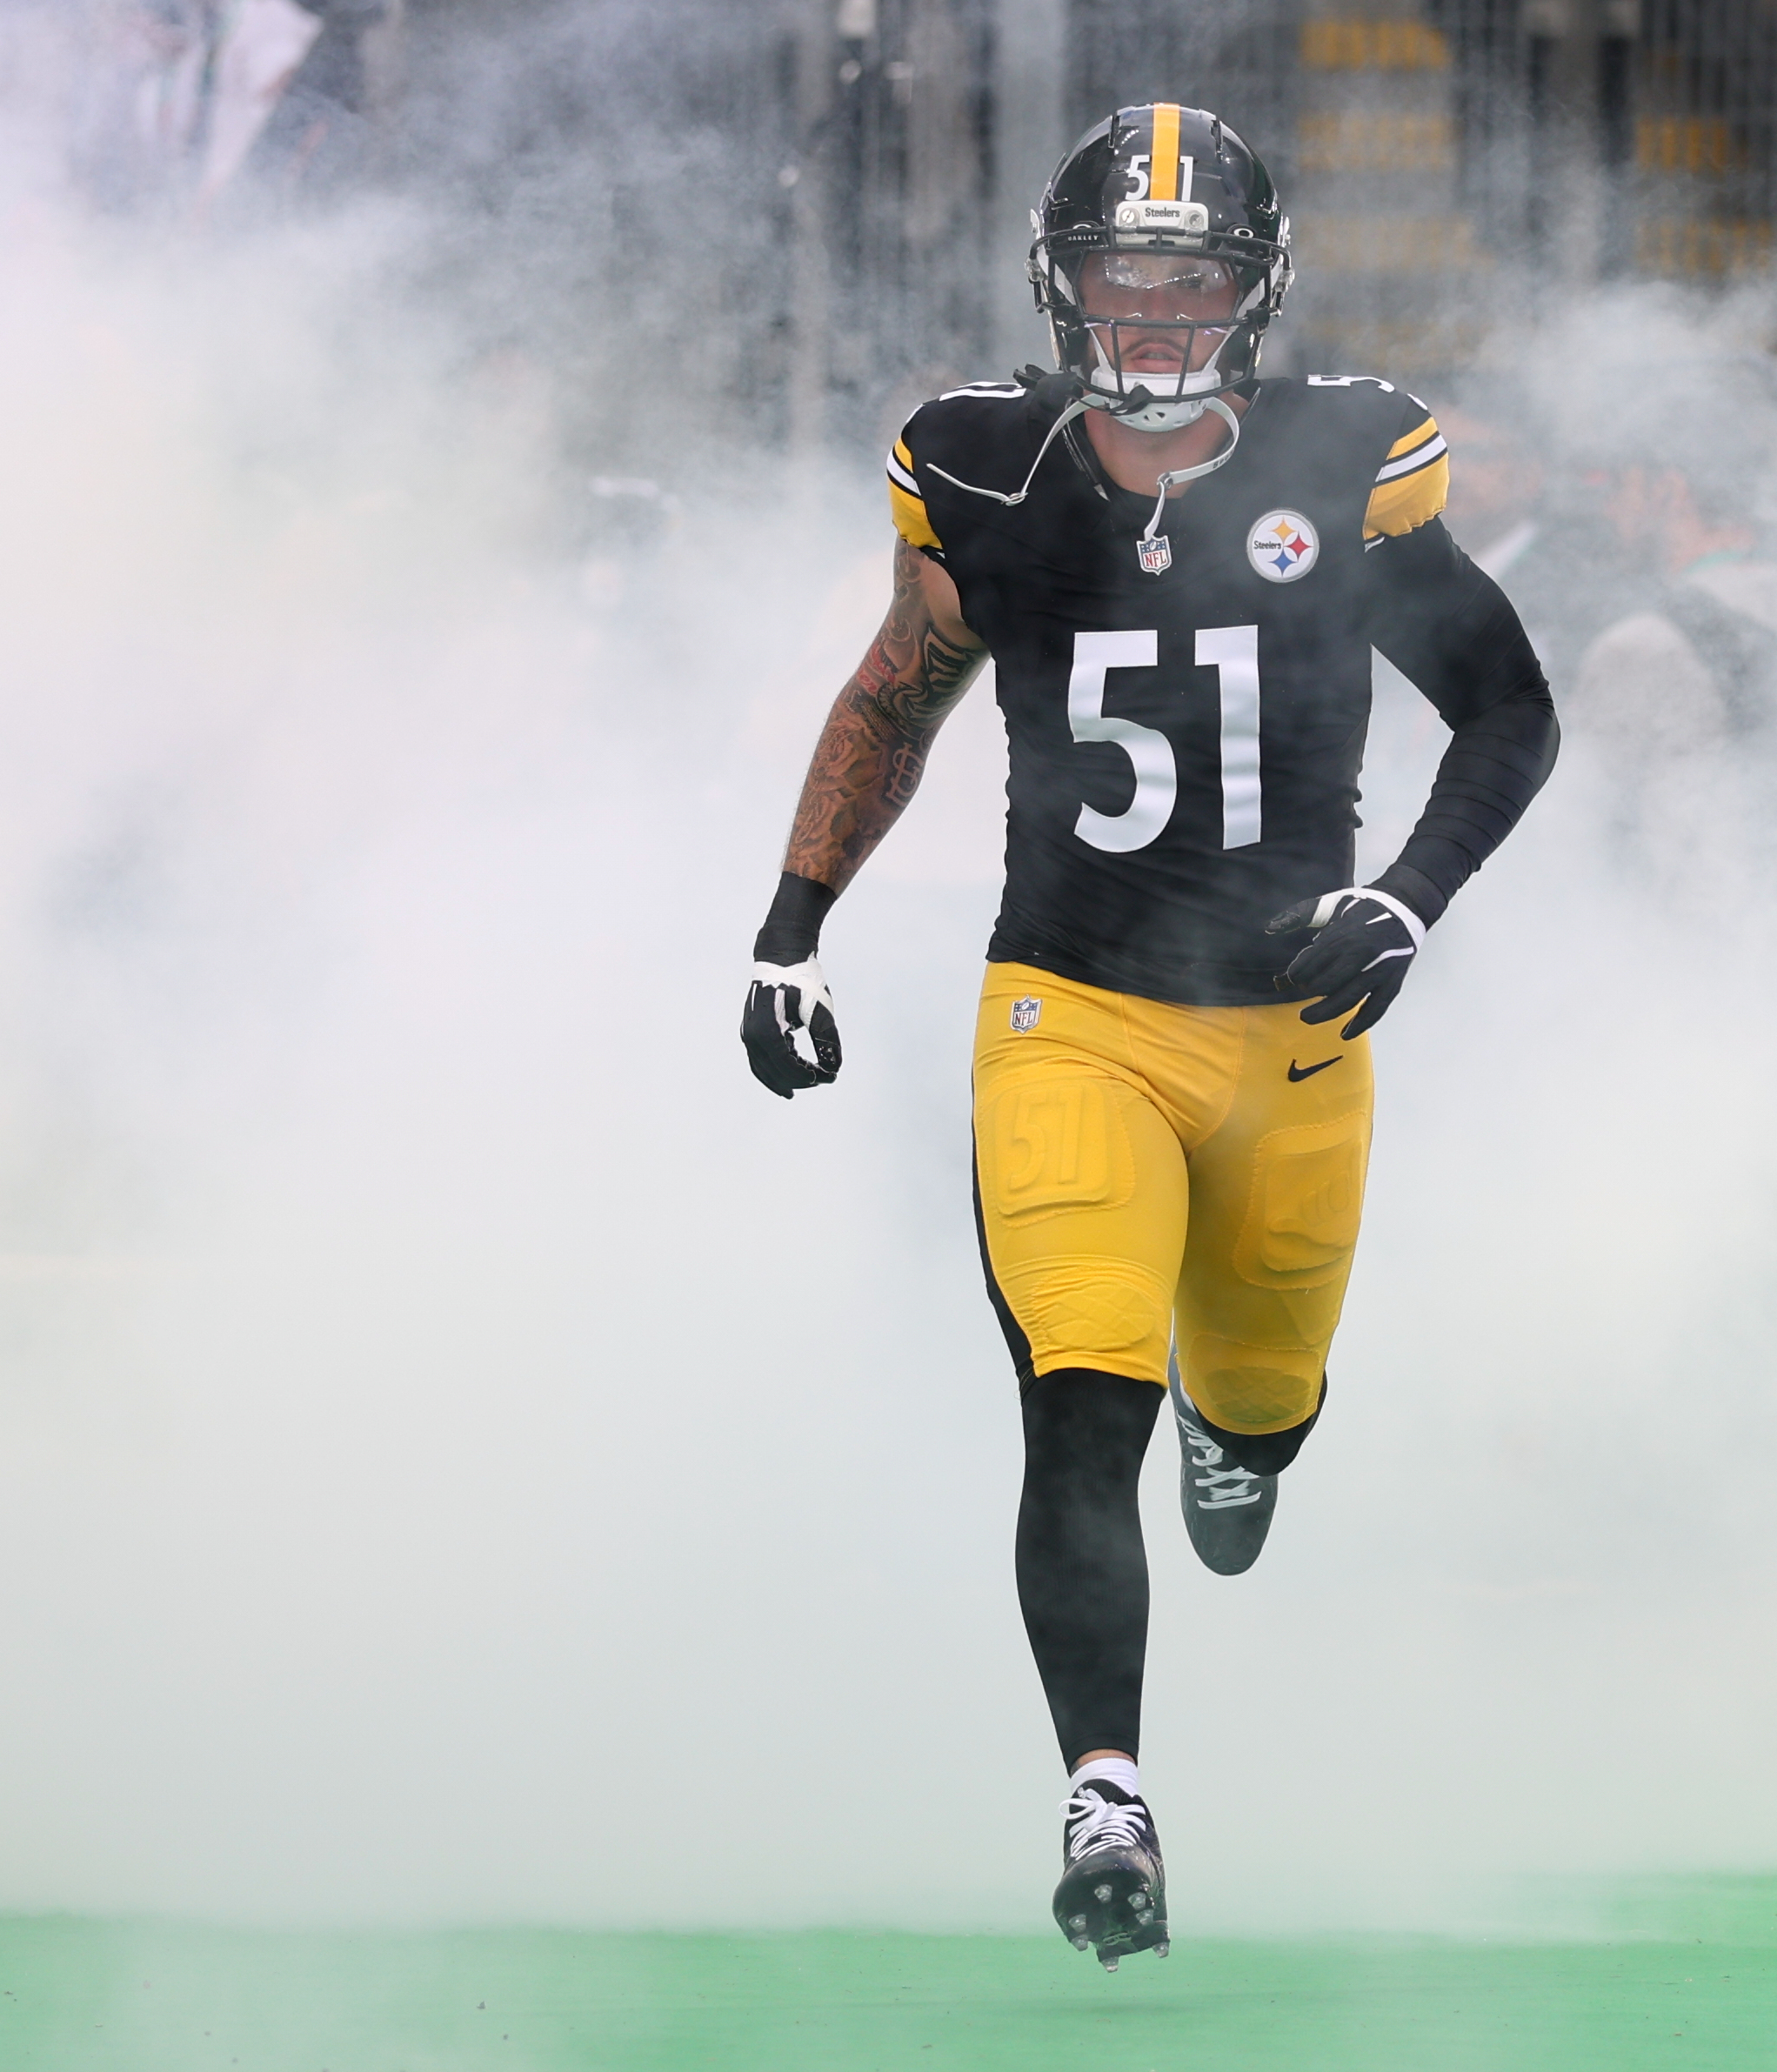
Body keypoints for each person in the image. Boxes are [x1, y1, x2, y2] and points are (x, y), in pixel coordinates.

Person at [738, 104, 1556, 1968]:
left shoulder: (1347, 461)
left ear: (1251, 295)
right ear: (1063, 285)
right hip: (1071, 1018)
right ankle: (1102, 1789)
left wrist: (1408, 895)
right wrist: (792, 927)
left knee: (1250, 1416)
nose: (1159, 318)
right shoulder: (984, 468)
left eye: (1192, 284)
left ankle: (1244, 1432)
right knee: (1075, 1401)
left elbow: (1506, 712)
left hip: (1291, 1041)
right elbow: (896, 697)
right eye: (1126, 278)